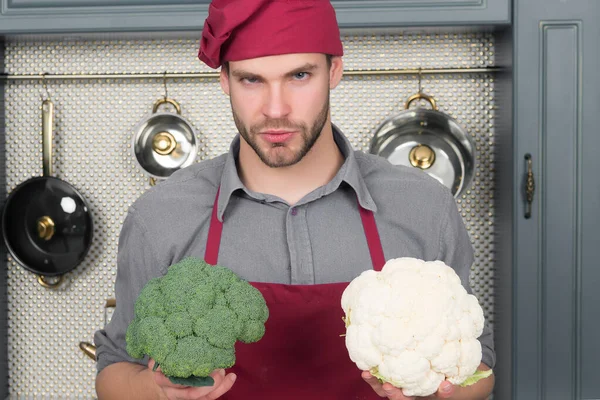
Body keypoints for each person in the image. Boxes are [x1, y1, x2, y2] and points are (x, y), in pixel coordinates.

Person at [94, 0, 496, 398]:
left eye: (299, 75)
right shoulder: (160, 217)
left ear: (334, 69)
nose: (275, 109)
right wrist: (157, 391)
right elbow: (114, 370)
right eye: (252, 80)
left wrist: (438, 392)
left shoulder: (424, 207)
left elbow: (478, 366)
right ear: (224, 80)